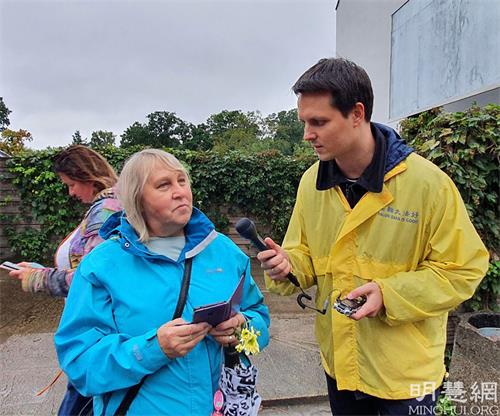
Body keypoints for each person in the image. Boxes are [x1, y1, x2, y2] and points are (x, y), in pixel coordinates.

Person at [257, 58, 489, 415]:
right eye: (304, 122)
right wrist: (287, 265)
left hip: (406, 374)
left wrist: (389, 293)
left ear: (357, 113)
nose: (307, 135)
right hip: (341, 366)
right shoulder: (310, 184)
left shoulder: (427, 185)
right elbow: (303, 257)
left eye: (318, 122)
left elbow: (463, 269)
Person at [54, 149, 270, 415]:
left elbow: (259, 316)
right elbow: (80, 362)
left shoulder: (225, 252)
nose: (180, 191)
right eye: (163, 185)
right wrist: (152, 349)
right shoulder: (102, 265)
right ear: (138, 199)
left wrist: (242, 329)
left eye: (182, 180)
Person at [9, 145, 122, 415]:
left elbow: (91, 280)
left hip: (96, 332)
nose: (70, 192)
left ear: (88, 176)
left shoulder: (106, 211)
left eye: (71, 184)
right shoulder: (109, 205)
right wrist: (43, 269)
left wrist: (37, 278)